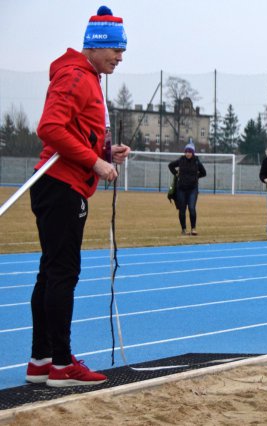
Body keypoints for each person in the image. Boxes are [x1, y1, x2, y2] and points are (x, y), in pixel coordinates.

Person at [27, 6, 130, 387]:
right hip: (61, 187)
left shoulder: (88, 78)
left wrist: (105, 153)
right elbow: (49, 127)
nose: (120, 58)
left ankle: (41, 360)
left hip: (62, 183)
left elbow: (76, 134)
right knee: (62, 275)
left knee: (51, 273)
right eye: (116, 51)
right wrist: (96, 163)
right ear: (98, 45)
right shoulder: (75, 75)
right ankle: (60, 364)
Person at [168, 141, 207, 235]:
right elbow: (170, 165)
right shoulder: (181, 160)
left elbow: (204, 173)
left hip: (193, 189)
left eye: (189, 152)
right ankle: (184, 229)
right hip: (181, 188)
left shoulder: (197, 161)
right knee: (182, 209)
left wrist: (196, 177)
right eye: (186, 151)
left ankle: (193, 229)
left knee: (192, 208)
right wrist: (176, 173)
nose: (187, 153)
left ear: (193, 152)